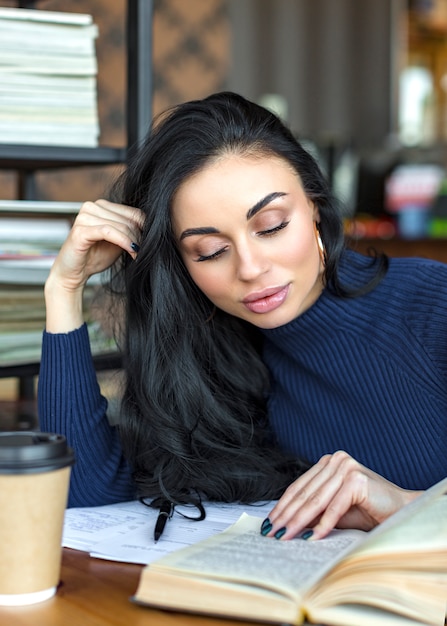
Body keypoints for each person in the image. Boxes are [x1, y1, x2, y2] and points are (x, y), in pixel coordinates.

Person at [38, 92, 446, 542]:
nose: (250, 269)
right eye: (209, 251)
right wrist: (63, 291)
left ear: (313, 203)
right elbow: (82, 493)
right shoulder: (209, 346)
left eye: (271, 225)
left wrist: (405, 506)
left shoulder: (430, 304)